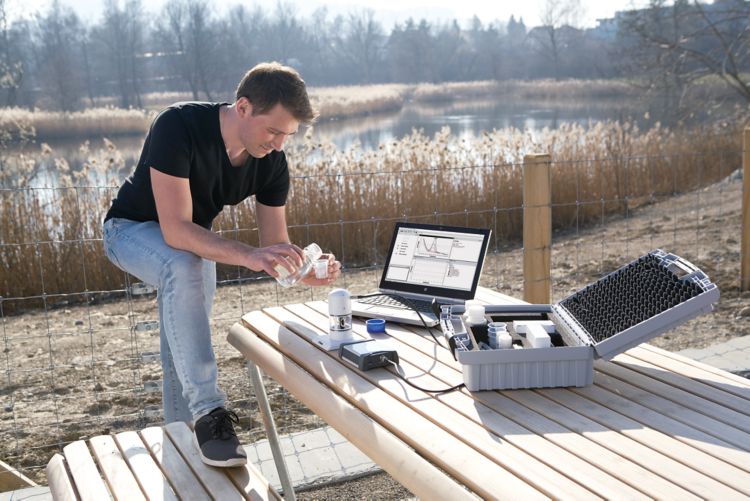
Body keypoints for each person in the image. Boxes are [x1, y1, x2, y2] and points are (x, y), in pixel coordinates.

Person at [102, 62, 341, 467]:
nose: (280, 144)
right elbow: (176, 230)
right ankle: (211, 414)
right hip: (130, 230)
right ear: (243, 107)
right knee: (185, 266)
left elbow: (275, 247)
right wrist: (247, 256)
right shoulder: (178, 126)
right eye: (273, 131)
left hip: (191, 247)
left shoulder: (271, 162)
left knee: (182, 335)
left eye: (288, 135)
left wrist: (304, 270)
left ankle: (183, 443)